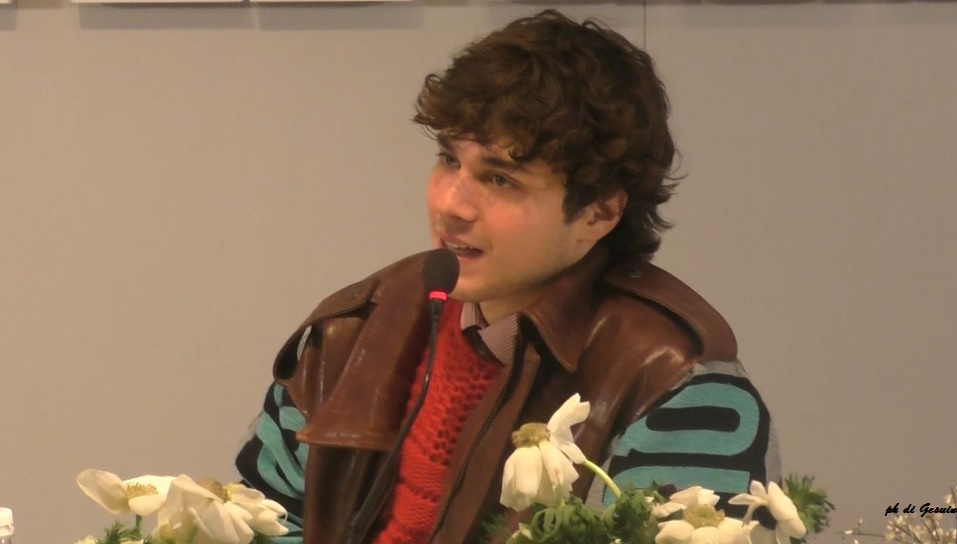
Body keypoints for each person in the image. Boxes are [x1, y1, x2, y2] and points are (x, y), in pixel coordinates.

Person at [236, 9, 780, 544]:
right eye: (449, 159)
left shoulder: (676, 381)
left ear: (598, 213)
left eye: (500, 179)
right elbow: (261, 521)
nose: (450, 205)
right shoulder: (355, 329)